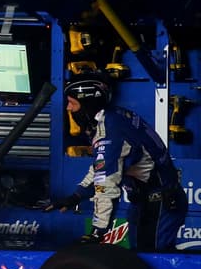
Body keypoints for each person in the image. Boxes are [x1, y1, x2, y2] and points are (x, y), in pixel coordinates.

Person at [48, 73, 187, 250]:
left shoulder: (110, 128)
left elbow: (106, 181)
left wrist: (98, 230)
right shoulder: (113, 118)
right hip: (148, 201)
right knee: (143, 261)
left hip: (160, 203)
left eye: (72, 103)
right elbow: (102, 168)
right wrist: (75, 196)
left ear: (88, 101)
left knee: (153, 264)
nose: (68, 109)